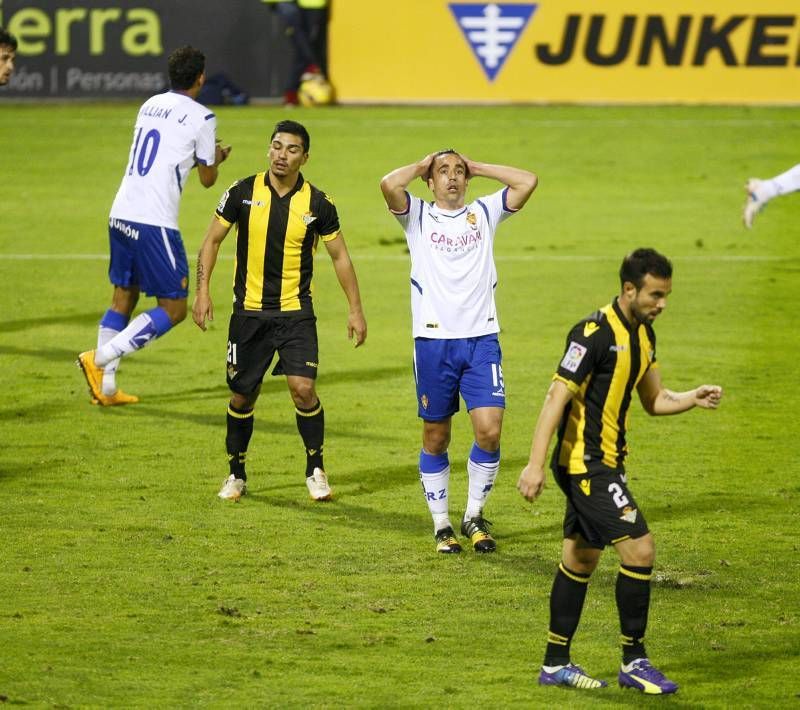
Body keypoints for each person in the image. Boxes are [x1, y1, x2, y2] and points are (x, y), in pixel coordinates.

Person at [517, 248, 723, 694]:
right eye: (655, 294)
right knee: (640, 550)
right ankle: (634, 660)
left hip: (607, 464)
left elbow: (654, 400)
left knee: (581, 557)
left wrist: (692, 397)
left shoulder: (644, 335)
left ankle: (555, 663)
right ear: (629, 289)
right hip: (586, 466)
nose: (662, 304)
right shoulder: (592, 334)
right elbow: (556, 398)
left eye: (666, 295)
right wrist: (534, 465)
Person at [193, 119, 366, 503]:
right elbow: (211, 241)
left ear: (304, 157)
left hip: (295, 314)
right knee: (242, 396)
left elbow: (340, 257)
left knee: (303, 390)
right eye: (276, 146)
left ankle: (315, 468)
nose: (281, 155)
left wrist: (355, 309)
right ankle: (236, 473)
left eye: (290, 149)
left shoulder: (318, 204)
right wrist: (202, 291)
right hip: (248, 315)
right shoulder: (240, 192)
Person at [380, 151, 537, 554]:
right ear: (430, 183)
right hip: (433, 342)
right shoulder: (416, 215)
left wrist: (479, 167)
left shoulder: (485, 212)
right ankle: (442, 525)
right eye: (443, 172)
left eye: (458, 172)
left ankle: (474, 516)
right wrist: (421, 166)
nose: (452, 178)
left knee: (490, 429)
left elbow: (527, 181)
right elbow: (388, 185)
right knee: (437, 436)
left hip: (482, 339)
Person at [77, 46, 231, 406]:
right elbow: (209, 179)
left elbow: (165, 159)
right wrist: (215, 159)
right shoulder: (203, 118)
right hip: (154, 221)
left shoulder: (149, 104)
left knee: (124, 295)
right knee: (175, 307)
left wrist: (196, 158)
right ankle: (98, 359)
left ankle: (107, 388)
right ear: (200, 78)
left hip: (121, 211)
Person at [262, 0, 330, 105]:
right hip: (290, 3)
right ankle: (312, 69)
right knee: (302, 41)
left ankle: (292, 91)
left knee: (303, 45)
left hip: (305, 4)